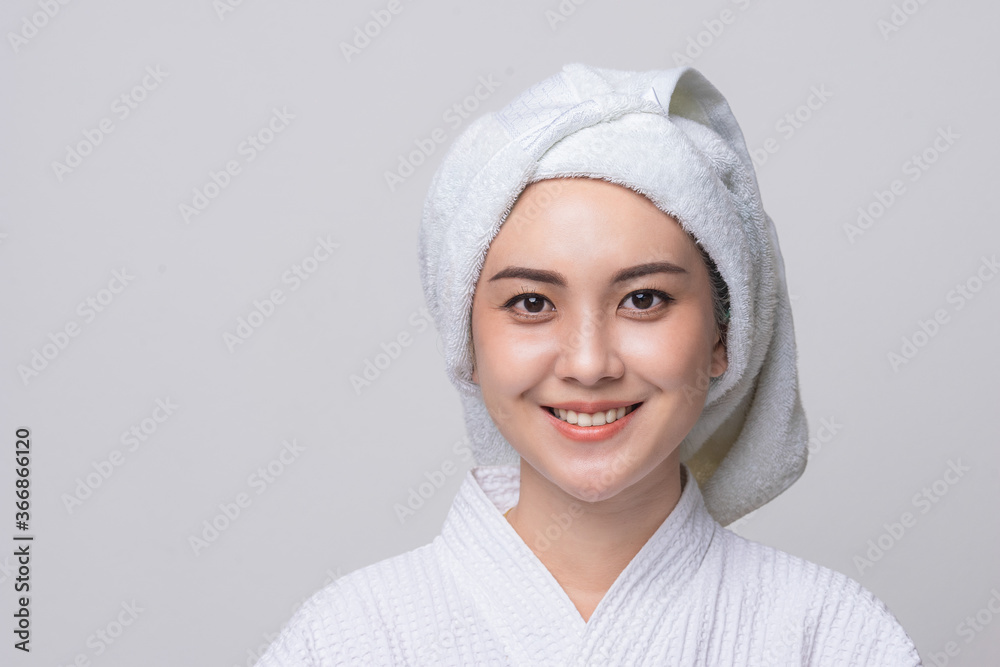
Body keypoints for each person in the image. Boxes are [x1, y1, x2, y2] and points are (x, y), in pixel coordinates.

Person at [254, 63, 923, 666]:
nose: (589, 362)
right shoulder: (349, 640)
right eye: (531, 302)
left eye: (643, 298)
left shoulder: (831, 639)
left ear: (725, 333)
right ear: (468, 341)